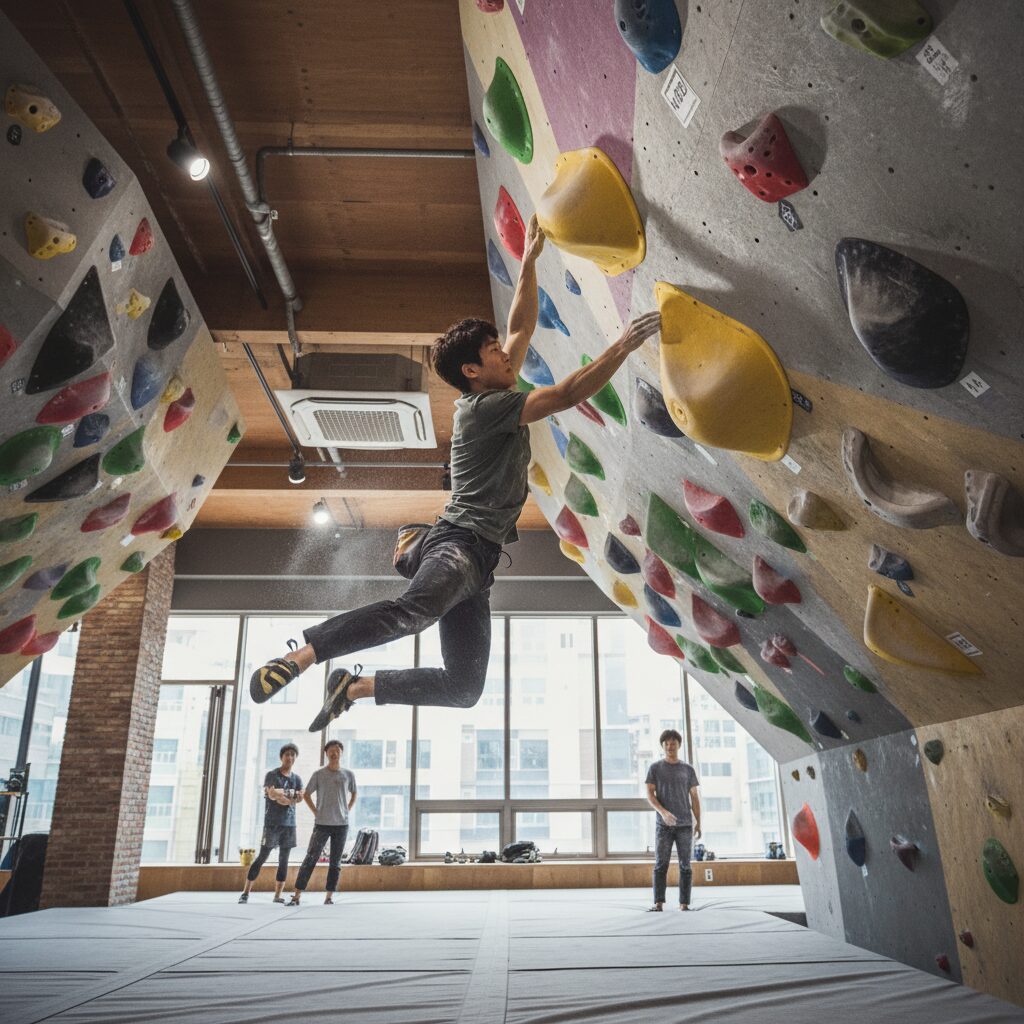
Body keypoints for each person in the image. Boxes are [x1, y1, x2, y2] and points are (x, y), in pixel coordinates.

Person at [248, 216, 662, 730]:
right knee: (411, 613)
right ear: (472, 371)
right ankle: (302, 655)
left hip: (476, 561)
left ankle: (354, 687)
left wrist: (529, 262)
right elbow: (566, 395)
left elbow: (520, 327)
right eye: (493, 354)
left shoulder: (492, 386)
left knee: (464, 689)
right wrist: (623, 345)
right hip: (459, 545)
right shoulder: (485, 407)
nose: (506, 356)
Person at [288, 739, 357, 906]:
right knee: (311, 858)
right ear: (326, 754)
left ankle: (329, 897)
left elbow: (354, 793)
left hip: (341, 825)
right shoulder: (319, 774)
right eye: (331, 751)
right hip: (322, 824)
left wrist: (347, 809)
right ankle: (297, 895)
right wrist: (315, 811)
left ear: (341, 753)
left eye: (337, 750)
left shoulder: (348, 774)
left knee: (335, 862)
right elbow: (306, 794)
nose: (334, 753)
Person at [238, 742, 303, 904]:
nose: (290, 757)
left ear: (295, 758)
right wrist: (288, 797)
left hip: (289, 824)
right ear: (281, 757)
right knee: (262, 856)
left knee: (284, 860)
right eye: (287, 754)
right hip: (272, 823)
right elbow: (273, 795)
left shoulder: (297, 778)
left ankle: (277, 895)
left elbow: (300, 798)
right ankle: (245, 892)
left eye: (292, 754)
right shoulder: (272, 775)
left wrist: (285, 796)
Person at [645, 729, 702, 912]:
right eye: (667, 743)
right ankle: (658, 903)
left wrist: (698, 822)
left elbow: (694, 797)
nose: (670, 746)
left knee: (685, 866)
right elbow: (650, 795)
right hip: (664, 826)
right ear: (662, 746)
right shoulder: (655, 768)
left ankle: (684, 904)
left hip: (685, 825)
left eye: (673, 743)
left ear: (679, 745)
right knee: (661, 865)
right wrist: (663, 813)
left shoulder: (687, 769)